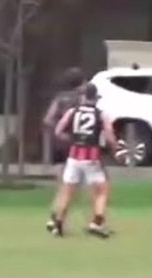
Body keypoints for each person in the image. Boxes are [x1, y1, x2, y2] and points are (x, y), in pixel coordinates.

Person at [50, 84, 119, 238]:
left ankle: (58, 223)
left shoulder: (72, 112)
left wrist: (72, 140)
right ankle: (97, 222)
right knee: (103, 190)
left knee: (68, 191)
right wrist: (115, 148)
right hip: (92, 157)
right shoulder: (100, 114)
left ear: (82, 97)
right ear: (95, 97)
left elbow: (58, 131)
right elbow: (109, 135)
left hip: (74, 156)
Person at [43, 67, 86, 232]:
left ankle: (55, 217)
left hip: (58, 148)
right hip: (76, 147)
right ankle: (58, 219)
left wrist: (58, 133)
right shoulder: (80, 99)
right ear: (81, 82)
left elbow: (47, 119)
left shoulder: (59, 98)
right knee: (71, 186)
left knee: (62, 184)